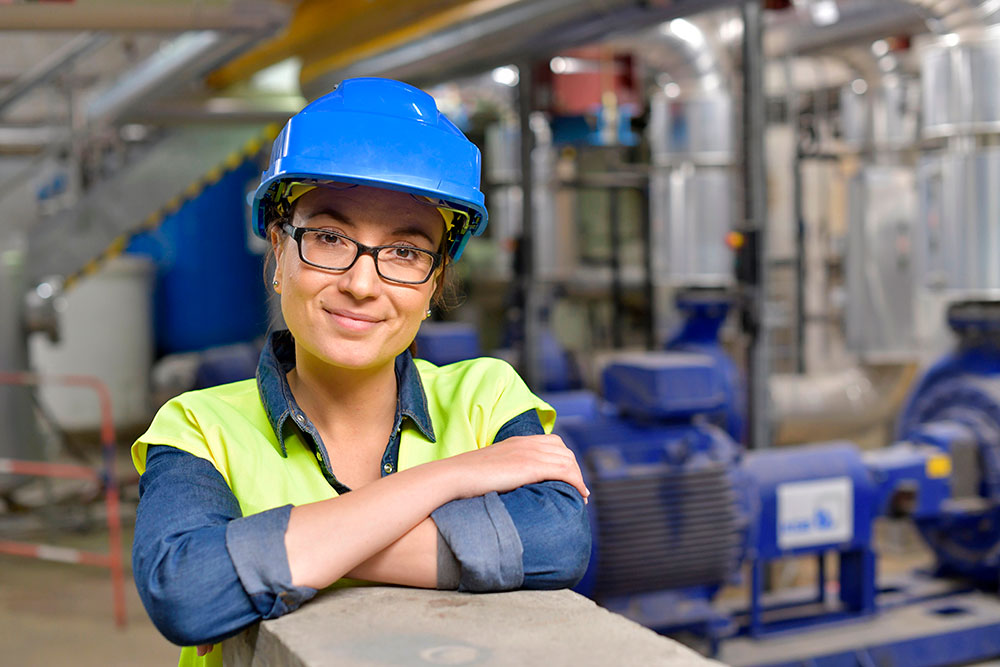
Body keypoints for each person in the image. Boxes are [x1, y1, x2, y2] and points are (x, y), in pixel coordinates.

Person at [131, 77, 592, 667]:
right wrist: (450, 478)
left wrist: (267, 557)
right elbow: (186, 591)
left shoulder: (486, 396)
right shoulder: (199, 426)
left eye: (405, 252)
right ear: (279, 249)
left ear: (434, 282)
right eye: (328, 237)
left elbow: (558, 542)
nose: (361, 283)